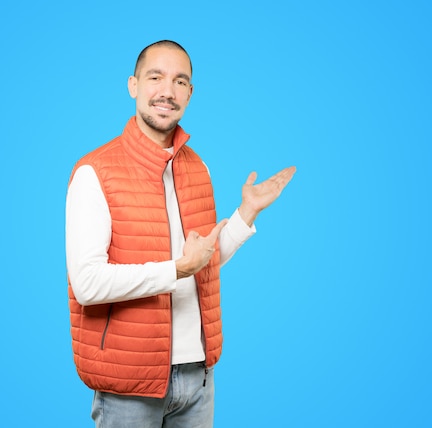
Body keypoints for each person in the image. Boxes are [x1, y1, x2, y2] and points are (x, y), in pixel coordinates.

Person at [65, 40, 296, 428]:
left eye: (180, 81)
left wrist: (246, 214)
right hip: (129, 386)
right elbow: (87, 284)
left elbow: (202, 260)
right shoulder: (95, 172)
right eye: (155, 77)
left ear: (190, 93)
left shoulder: (197, 167)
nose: (167, 91)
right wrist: (177, 269)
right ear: (133, 85)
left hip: (198, 378)